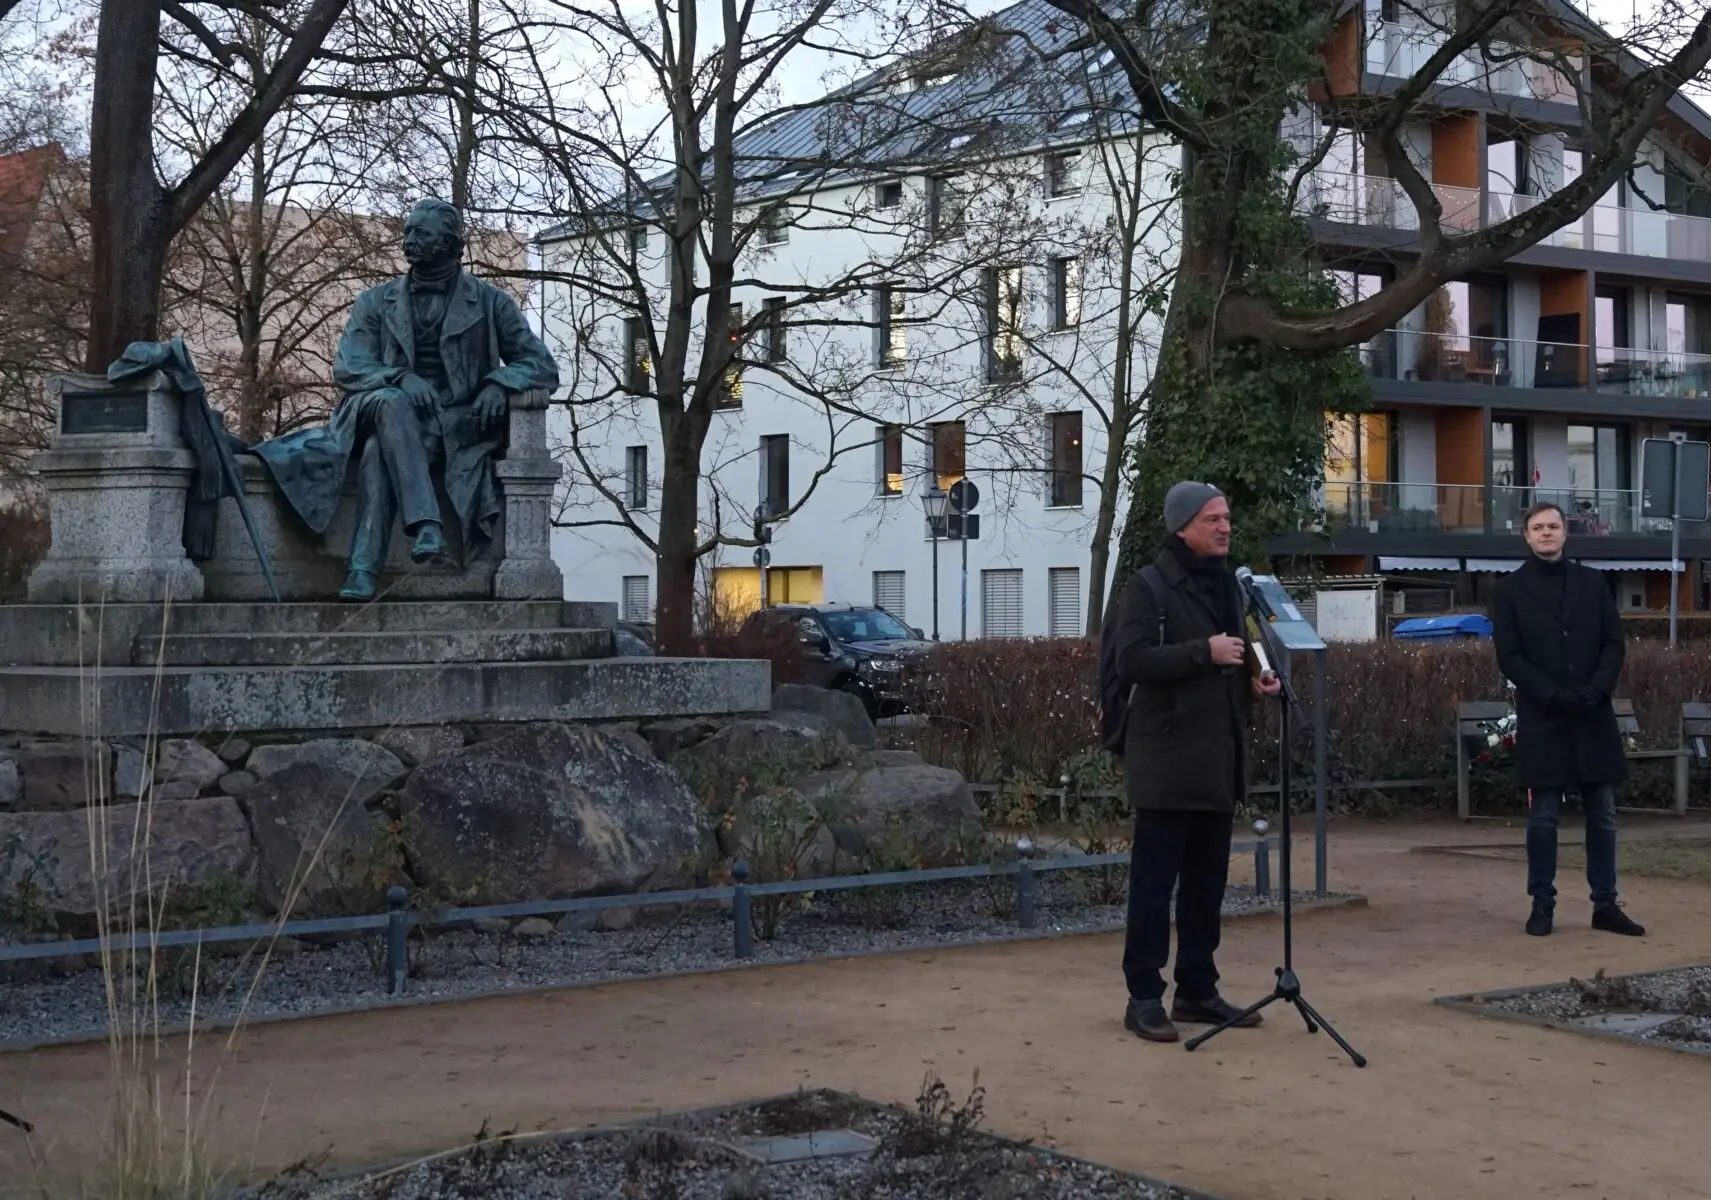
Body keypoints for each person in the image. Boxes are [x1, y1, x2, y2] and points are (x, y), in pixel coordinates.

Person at [250, 198, 560, 601]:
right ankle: (425, 522)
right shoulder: (375, 301)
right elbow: (350, 365)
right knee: (392, 402)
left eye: (420, 233)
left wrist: (499, 382)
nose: (408, 240)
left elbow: (541, 365)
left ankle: (362, 570)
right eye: (407, 231)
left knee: (379, 451)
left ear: (449, 243)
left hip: (448, 424)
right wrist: (400, 377)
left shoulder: (491, 302)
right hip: (373, 405)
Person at [1112, 481, 1281, 1043]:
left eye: (1227, 517)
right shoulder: (1148, 586)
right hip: (1166, 762)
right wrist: (1201, 653)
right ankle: (1143, 997)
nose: (1225, 527)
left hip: (1216, 760)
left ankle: (1196, 989)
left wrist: (1254, 678)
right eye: (1213, 519)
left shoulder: (1228, 584)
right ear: (1183, 527)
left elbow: (1240, 649)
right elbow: (1131, 661)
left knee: (1207, 885)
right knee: (1154, 886)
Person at [1492, 501, 1644, 938]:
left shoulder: (1593, 582)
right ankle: (1542, 905)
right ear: (1526, 535)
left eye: (1553, 526)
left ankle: (1606, 905)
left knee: (1604, 814)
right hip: (1544, 715)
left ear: (1565, 532)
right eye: (1538, 527)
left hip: (1593, 712)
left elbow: (1613, 643)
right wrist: (1552, 694)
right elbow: (1510, 656)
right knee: (1543, 817)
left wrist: (1596, 689)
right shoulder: (1509, 590)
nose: (1546, 533)